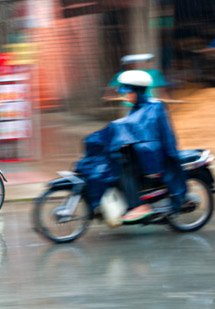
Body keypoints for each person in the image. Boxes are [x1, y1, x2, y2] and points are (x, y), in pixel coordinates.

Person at [76, 70, 186, 223]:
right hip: (144, 153)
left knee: (124, 168)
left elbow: (134, 125)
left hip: (157, 157)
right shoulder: (138, 107)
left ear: (138, 91)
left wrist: (114, 130)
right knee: (117, 160)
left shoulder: (154, 107)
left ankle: (141, 206)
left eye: (129, 92)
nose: (126, 95)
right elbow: (131, 126)